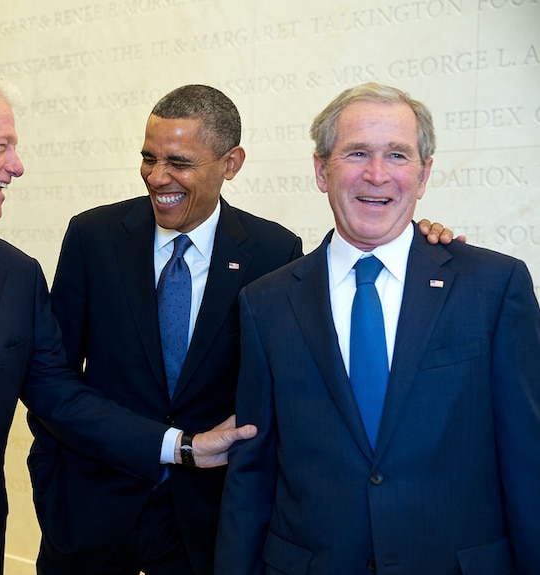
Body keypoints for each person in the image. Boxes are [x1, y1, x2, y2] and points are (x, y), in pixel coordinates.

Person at [27, 84, 458, 575]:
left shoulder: (275, 254)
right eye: (149, 158)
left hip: (207, 532)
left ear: (231, 163)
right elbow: (52, 381)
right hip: (89, 520)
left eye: (180, 162)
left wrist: (418, 243)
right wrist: (56, 481)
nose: (157, 176)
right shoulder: (93, 237)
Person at [215, 82, 540, 574]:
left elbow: (527, 461)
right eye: (357, 153)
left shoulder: (494, 286)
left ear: (424, 174)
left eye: (397, 155)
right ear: (322, 170)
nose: (376, 174)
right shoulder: (266, 303)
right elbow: (252, 472)